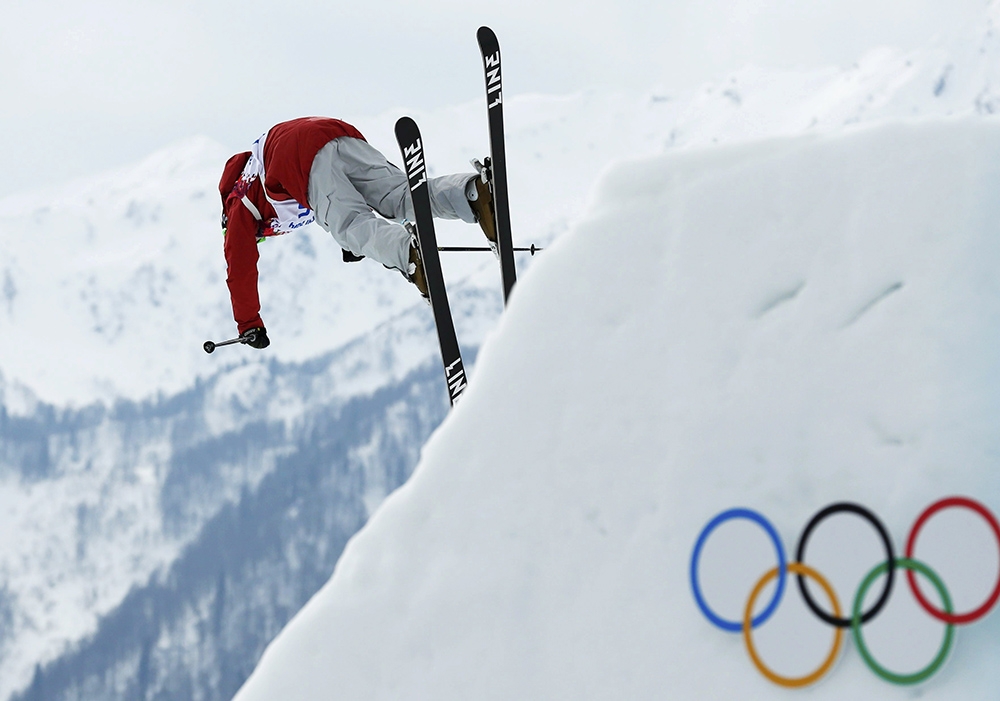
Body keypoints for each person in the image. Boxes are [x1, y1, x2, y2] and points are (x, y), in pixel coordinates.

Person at [218, 116, 496, 349]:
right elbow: (327, 195)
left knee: (352, 226)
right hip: (335, 134)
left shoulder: (238, 205)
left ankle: (409, 255)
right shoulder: (255, 172)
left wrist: (248, 323)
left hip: (300, 156)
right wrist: (350, 248)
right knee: (399, 197)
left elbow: (239, 264)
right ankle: (472, 193)